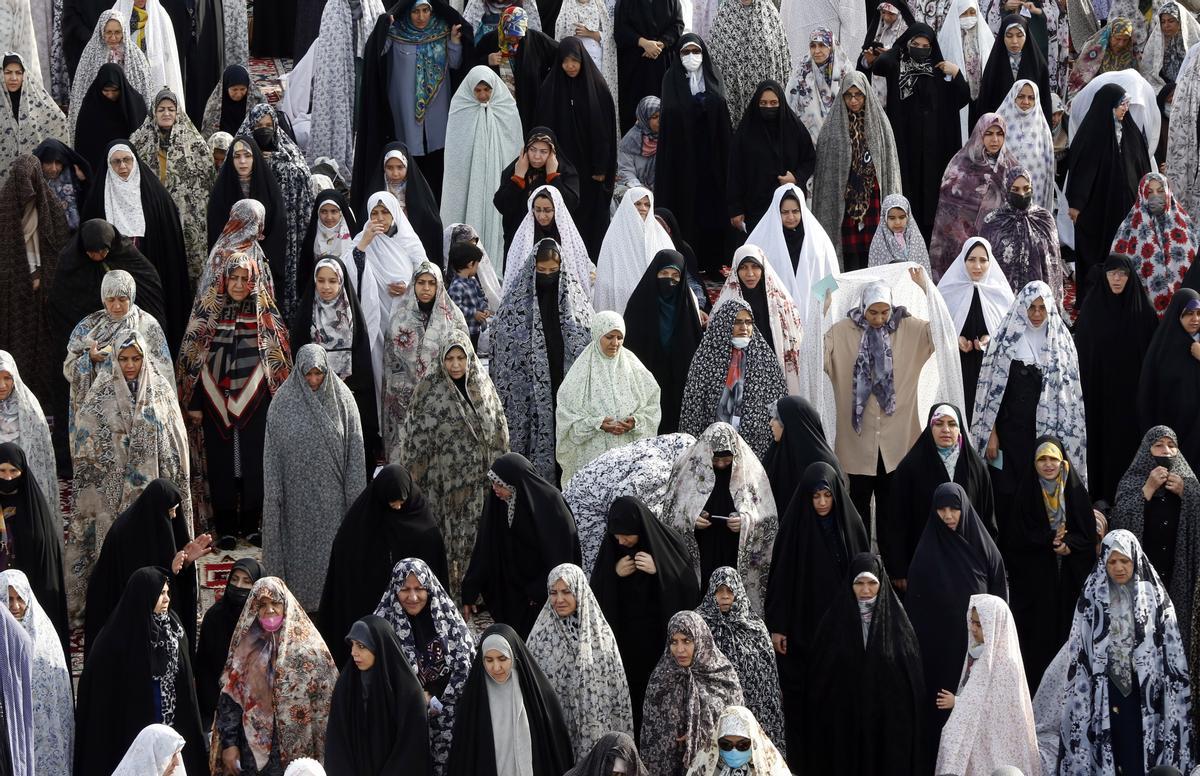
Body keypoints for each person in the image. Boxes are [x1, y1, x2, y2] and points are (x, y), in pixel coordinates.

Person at [67, 332, 191, 618]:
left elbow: (175, 445)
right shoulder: (98, 399)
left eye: (136, 358)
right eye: (123, 359)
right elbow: (87, 453)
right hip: (112, 500)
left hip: (153, 499)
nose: (130, 365)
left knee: (155, 553)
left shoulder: (160, 393)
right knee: (120, 556)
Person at [176, 253, 293, 547]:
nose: (239, 284)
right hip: (214, 402)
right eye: (234, 278)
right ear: (224, 279)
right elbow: (195, 359)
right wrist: (196, 403)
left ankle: (253, 525)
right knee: (221, 463)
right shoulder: (208, 311)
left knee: (255, 463)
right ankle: (226, 526)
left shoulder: (266, 314)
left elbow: (278, 362)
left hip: (258, 403)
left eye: (245, 278)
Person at [1055, 531, 1193, 774]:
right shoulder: (1092, 599)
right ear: (1104, 563)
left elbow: (1171, 655)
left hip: (1146, 697)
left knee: (1138, 755)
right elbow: (1079, 652)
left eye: (1125, 561)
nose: (1119, 567)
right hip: (1105, 694)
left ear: (1135, 560)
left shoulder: (1155, 600)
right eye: (1112, 561)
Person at [763, 461, 868, 764]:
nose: (822, 503)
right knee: (806, 698)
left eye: (827, 496)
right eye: (815, 497)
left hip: (841, 628)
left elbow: (864, 576)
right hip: (803, 627)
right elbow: (780, 579)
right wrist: (779, 626)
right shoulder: (794, 529)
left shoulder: (850, 526)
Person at [904, 483, 1007, 767]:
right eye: (942, 509)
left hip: (975, 650)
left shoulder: (985, 549)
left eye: (954, 509)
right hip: (938, 654)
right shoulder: (925, 554)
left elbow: (999, 600)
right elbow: (915, 609)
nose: (948, 515)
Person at [824, 274, 935, 533]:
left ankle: (893, 570)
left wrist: (928, 289)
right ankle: (861, 568)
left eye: (885, 312)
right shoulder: (842, 332)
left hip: (897, 445)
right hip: (856, 444)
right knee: (856, 512)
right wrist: (822, 299)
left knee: (893, 516)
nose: (879, 318)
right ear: (863, 307)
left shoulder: (909, 328)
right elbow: (810, 353)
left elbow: (943, 330)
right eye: (873, 312)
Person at [74, 567, 207, 776]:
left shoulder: (174, 627)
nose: (166, 599)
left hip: (172, 720)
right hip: (134, 722)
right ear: (144, 595)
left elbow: (185, 678)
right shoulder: (117, 636)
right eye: (160, 593)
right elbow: (101, 692)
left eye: (167, 593)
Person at [262, 346, 366, 612]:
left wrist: (356, 509)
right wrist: (275, 500)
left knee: (332, 567)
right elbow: (272, 459)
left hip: (334, 505)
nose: (313, 380)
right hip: (296, 507)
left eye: (318, 373)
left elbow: (355, 456)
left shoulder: (343, 401)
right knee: (300, 569)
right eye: (307, 374)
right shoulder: (282, 405)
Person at [398, 333, 505, 591]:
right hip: (442, 487)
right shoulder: (428, 392)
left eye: (461, 358)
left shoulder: (482, 388)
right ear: (441, 360)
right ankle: (451, 590)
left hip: (480, 487)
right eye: (450, 358)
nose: (456, 365)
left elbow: (499, 431)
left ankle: (477, 592)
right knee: (446, 543)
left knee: (480, 537)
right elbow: (414, 443)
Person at [970, 281, 1086, 519]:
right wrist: (991, 433)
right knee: (1006, 497)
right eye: (1031, 307)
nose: (1036, 314)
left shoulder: (1062, 345)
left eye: (1042, 308)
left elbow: (1070, 400)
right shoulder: (1003, 340)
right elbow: (988, 392)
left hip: (1045, 439)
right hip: (1008, 438)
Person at [588, 494, 700, 733]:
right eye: (615, 534)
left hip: (660, 644)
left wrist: (660, 570)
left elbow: (689, 588)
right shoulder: (612, 548)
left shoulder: (669, 542)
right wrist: (614, 573)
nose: (620, 541)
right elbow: (595, 594)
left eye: (626, 534)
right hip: (626, 646)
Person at [806, 553, 925, 774]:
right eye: (859, 583)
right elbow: (820, 679)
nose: (866, 590)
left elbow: (911, 681)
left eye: (872, 583)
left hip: (885, 723)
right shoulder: (833, 624)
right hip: (845, 721)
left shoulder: (898, 625)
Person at [491, 238, 593, 480]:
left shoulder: (576, 306)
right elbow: (502, 340)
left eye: (553, 271)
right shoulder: (514, 308)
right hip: (528, 396)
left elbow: (590, 337)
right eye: (541, 271)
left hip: (564, 387)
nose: (547, 277)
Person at [213, 577, 337, 775]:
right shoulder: (244, 651)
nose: (269, 610)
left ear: (285, 605)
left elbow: (326, 706)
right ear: (254, 608)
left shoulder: (310, 650)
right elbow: (230, 700)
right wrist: (229, 744)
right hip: (253, 757)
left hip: (300, 755)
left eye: (275, 603)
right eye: (262, 605)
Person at [354, 0, 473, 203]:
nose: (421, 17)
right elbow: (378, 55)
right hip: (405, 109)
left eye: (425, 10)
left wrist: (454, 41)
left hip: (437, 109)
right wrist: (384, 29)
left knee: (437, 158)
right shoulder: (397, 32)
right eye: (416, 11)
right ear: (408, 12)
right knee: (409, 155)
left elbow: (455, 64)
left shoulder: (442, 30)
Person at [1003, 438, 1096, 689]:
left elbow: (1087, 536)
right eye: (1042, 459)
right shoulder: (1025, 492)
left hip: (1069, 577)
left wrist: (1069, 545)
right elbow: (1015, 538)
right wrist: (1046, 539)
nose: (1048, 465)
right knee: (1038, 640)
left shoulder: (1075, 491)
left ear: (1062, 461)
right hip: (1037, 582)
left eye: (1053, 459)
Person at [81, 141, 191, 347]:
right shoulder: (97, 198)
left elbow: (169, 241)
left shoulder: (156, 196)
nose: (122, 166)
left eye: (127, 160)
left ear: (134, 161)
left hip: (151, 271)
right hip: (111, 276)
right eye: (116, 162)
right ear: (108, 165)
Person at [82, 479, 207, 657]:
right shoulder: (126, 535)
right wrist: (168, 571)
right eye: (170, 511)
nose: (173, 517)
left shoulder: (152, 524)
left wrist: (184, 566)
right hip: (120, 621)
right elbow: (138, 589)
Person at [462, 452, 582, 637]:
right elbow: (485, 545)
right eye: (493, 483)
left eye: (500, 484)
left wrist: (539, 590)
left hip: (544, 593)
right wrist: (470, 588)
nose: (495, 489)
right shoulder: (498, 501)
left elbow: (561, 554)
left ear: (516, 483)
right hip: (513, 590)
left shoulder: (550, 504)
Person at [372, 558, 472, 776]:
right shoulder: (383, 628)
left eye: (419, 588)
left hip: (451, 718)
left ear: (429, 589)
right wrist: (417, 699)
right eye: (405, 589)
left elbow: (465, 665)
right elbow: (377, 676)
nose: (413, 597)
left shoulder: (447, 621)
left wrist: (442, 701)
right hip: (404, 722)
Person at [663, 422, 779, 608]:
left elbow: (768, 517)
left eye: (727, 460)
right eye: (715, 460)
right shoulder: (686, 469)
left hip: (733, 553)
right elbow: (669, 513)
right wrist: (690, 519)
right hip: (702, 551)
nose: (721, 465)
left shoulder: (750, 471)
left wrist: (745, 522)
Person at [871, 24, 970, 239]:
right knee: (909, 195)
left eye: (926, 46)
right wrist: (899, 48)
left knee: (931, 203)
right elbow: (879, 64)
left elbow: (962, 98)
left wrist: (957, 74)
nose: (921, 49)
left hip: (934, 150)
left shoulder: (938, 71)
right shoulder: (897, 67)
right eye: (915, 44)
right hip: (905, 145)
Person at [1074, 255, 1159, 502]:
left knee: (1127, 449)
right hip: (1098, 396)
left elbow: (1152, 358)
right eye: (1112, 273)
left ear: (1130, 276)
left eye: (1122, 273)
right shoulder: (1092, 309)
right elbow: (1082, 353)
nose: (1117, 278)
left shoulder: (1143, 312)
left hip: (1131, 399)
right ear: (1105, 275)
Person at [527, 563, 634, 758]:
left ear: (579, 591)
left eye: (566, 592)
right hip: (556, 733)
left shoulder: (601, 637)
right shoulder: (539, 637)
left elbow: (616, 693)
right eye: (553, 592)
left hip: (596, 731)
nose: (559, 599)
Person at [886, 403, 997, 585]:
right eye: (939, 423)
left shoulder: (976, 467)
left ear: (960, 428)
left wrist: (987, 563)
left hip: (968, 565)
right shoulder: (910, 467)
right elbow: (897, 520)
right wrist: (899, 568)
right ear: (930, 427)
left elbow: (987, 519)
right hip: (924, 564)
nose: (946, 429)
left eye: (952, 424)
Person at [1111, 427, 1200, 647]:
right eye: (1158, 445)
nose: (1166, 450)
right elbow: (1118, 525)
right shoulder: (1132, 482)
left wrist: (1186, 494)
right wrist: (1147, 490)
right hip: (1143, 577)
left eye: (1171, 445)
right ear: (1146, 450)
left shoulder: (1190, 484)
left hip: (1177, 576)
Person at [446, 623, 574, 775]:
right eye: (489, 660)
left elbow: (555, 750)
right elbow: (464, 756)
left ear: (513, 656)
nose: (496, 667)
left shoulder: (538, 696)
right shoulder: (473, 701)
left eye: (502, 658)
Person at [933, 595, 1040, 775]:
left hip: (996, 742)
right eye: (972, 622)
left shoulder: (1006, 664)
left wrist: (958, 702)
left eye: (980, 624)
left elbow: (997, 707)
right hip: (976, 737)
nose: (973, 629)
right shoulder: (979, 653)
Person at [654, 35, 734, 275]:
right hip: (682, 160)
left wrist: (706, 104)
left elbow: (721, 113)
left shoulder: (713, 77)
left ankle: (713, 262)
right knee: (684, 209)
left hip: (711, 160)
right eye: (685, 52)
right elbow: (671, 116)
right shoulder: (671, 80)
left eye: (695, 51)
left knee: (711, 211)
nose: (691, 56)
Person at [290, 257, 381, 465]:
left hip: (347, 396)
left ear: (341, 282)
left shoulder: (352, 317)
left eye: (332, 281)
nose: (326, 287)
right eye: (321, 280)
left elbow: (362, 365)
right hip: (312, 397)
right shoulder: (306, 315)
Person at [1067, 83, 1152, 302]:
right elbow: (1081, 171)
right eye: (1119, 105)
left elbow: (1142, 165)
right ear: (1107, 106)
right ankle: (1094, 300)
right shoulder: (1092, 134)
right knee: (1097, 253)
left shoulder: (1131, 132)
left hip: (1127, 209)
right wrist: (1076, 204)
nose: (1124, 109)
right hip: (1098, 208)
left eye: (1126, 104)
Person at [555, 310, 659, 485]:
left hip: (628, 454)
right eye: (609, 337)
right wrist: (597, 424)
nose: (615, 343)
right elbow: (567, 416)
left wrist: (636, 421)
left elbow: (652, 404)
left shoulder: (634, 367)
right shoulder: (581, 372)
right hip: (593, 457)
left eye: (620, 338)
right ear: (597, 334)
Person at [534, 37, 617, 254]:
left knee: (590, 220)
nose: (570, 66)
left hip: (590, 171)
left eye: (575, 60)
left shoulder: (597, 87)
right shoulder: (550, 88)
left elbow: (604, 131)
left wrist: (601, 167)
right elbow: (543, 129)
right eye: (565, 61)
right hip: (561, 170)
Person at [812, 72, 903, 271]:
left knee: (874, 254)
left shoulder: (881, 125)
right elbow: (826, 177)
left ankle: (876, 299)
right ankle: (839, 298)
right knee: (847, 255)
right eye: (848, 95)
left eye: (858, 95)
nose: (853, 100)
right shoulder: (830, 129)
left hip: (874, 200)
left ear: (866, 95)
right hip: (843, 205)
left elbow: (890, 167)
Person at [381, 262, 470, 460]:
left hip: (443, 402)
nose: (426, 288)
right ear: (414, 284)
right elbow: (390, 367)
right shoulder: (399, 319)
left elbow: (464, 362)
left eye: (432, 283)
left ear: (439, 285)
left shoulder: (453, 320)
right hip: (404, 406)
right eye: (421, 282)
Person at [639, 611, 744, 776]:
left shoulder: (722, 676)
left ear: (700, 640)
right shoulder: (661, 677)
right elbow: (651, 732)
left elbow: (736, 724)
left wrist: (699, 732)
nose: (680, 650)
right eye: (674, 642)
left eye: (687, 641)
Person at [129, 88, 215, 289]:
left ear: (178, 113)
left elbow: (207, 181)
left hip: (187, 217)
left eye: (171, 109)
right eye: (161, 109)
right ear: (153, 113)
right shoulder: (139, 141)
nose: (166, 114)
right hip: (153, 214)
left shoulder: (195, 143)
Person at [325, 615, 432, 776]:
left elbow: (412, 747)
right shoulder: (347, 685)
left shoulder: (408, 691)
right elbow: (337, 741)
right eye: (352, 645)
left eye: (361, 646)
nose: (354, 652)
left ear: (379, 647)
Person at [0, 154, 68, 405]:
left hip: (45, 299)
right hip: (13, 301)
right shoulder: (5, 212)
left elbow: (58, 253)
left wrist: (41, 278)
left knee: (45, 359)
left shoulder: (51, 211)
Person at [236, 103, 316, 319]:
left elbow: (304, 182)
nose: (264, 130)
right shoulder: (242, 158)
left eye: (268, 125)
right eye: (259, 125)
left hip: (286, 234)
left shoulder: (289, 157)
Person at [679, 301, 787, 458]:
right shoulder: (706, 357)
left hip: (756, 447)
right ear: (725, 323)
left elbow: (778, 401)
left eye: (748, 322)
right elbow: (693, 406)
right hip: (714, 447)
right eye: (737, 322)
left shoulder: (764, 356)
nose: (744, 327)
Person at [441, 66, 523, 272]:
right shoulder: (461, 107)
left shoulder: (506, 106)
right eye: (478, 91)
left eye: (487, 90)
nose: (483, 95)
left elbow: (512, 143)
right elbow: (456, 153)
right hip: (471, 180)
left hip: (498, 177)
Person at [696, 566, 786, 755]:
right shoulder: (699, 626)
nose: (725, 596)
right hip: (713, 712)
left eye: (730, 590)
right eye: (719, 590)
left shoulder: (755, 628)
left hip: (752, 711)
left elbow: (767, 682)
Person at [348, 191, 429, 383]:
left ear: (394, 213)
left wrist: (409, 287)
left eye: (384, 212)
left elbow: (426, 274)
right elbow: (347, 271)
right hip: (375, 317)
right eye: (374, 213)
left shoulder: (408, 239)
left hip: (405, 315)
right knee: (379, 371)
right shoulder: (361, 238)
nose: (379, 218)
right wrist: (364, 243)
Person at [0, 569, 73, 775]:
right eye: (7, 599)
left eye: (19, 599)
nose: (14, 606)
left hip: (44, 729)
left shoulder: (44, 638)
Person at [622, 249, 702, 433]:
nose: (669, 280)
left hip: (679, 388)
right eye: (664, 274)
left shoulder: (687, 309)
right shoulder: (639, 305)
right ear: (654, 273)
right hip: (644, 389)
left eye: (675, 275)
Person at [929, 114, 1018, 276]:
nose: (995, 140)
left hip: (997, 238)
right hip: (960, 237)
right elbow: (948, 205)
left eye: (999, 134)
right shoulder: (961, 163)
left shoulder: (1011, 165)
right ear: (980, 134)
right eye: (989, 134)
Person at [0, 443, 68, 652]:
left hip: (31, 588)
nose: (8, 477)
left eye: (14, 471)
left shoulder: (32, 507)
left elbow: (44, 551)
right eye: (1, 471)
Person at [726, 80, 816, 234]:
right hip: (755, 210)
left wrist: (796, 177)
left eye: (774, 103)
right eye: (763, 103)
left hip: (788, 211)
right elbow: (734, 172)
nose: (768, 107)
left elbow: (809, 158)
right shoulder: (745, 133)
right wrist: (735, 209)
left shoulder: (794, 129)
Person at [714, 245, 805, 394]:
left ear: (763, 269)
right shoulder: (726, 303)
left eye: (755, 267)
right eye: (743, 267)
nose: (750, 274)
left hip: (776, 372)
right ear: (736, 271)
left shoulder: (780, 301)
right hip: (740, 379)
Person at [744, 183, 840, 320]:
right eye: (785, 212)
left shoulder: (818, 240)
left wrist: (816, 308)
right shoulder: (762, 240)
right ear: (777, 211)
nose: (790, 217)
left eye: (795, 211)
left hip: (812, 314)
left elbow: (829, 275)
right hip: (775, 314)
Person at [1110, 172, 1199, 316]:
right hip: (1142, 311)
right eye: (1149, 192)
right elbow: (1117, 265)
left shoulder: (1185, 226)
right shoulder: (1129, 228)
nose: (1155, 196)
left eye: (1160, 191)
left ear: (1168, 192)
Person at [205, 138, 288, 289]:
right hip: (230, 269)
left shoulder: (269, 188)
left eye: (247, 156)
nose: (242, 161)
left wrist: (258, 257)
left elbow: (277, 228)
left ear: (255, 158)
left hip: (263, 264)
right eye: (237, 156)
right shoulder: (222, 190)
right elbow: (216, 231)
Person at [195, 558, 264, 726]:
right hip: (220, 704)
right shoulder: (214, 616)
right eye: (234, 579)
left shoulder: (264, 618)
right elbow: (205, 667)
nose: (239, 586)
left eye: (247, 582)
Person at [977, 166, 1062, 302]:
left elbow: (1053, 265)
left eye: (1026, 189)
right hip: (1003, 301)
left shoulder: (1044, 219)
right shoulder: (993, 221)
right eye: (1015, 190)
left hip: (1037, 302)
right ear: (1006, 190)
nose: (1022, 194)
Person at [707, 0, 792, 131]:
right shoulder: (723, 16)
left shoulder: (770, 15)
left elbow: (782, 56)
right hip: (732, 95)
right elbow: (714, 56)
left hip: (764, 96)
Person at [1138, 290, 1200, 468]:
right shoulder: (1164, 348)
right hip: (1172, 435)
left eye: (1198, 313)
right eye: (1188, 314)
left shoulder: (1196, 347)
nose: (1195, 319)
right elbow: (1150, 395)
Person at [493, 128, 581, 252]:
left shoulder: (565, 171)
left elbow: (570, 205)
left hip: (553, 243)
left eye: (543, 152)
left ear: (552, 152)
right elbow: (502, 206)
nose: (536, 157)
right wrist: (518, 178)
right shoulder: (515, 170)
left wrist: (552, 177)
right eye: (532, 150)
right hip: (518, 242)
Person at [355, 142, 446, 262]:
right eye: (390, 168)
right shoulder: (377, 191)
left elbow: (431, 223)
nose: (395, 173)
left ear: (407, 166)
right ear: (383, 168)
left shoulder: (418, 191)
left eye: (400, 167)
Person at [477, 5, 560, 135]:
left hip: (529, 105)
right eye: (511, 34)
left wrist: (547, 80)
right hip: (498, 107)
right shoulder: (489, 40)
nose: (515, 39)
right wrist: (487, 60)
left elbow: (561, 53)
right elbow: (471, 65)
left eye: (519, 35)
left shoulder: (535, 40)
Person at [68, 12, 152, 132]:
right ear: (101, 31)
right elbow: (81, 91)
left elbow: (144, 92)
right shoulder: (90, 54)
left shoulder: (135, 56)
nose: (113, 38)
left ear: (123, 32)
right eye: (108, 32)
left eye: (117, 32)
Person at [594, 187, 673, 313]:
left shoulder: (659, 234)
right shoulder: (615, 235)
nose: (643, 208)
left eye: (647, 205)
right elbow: (606, 275)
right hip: (623, 295)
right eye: (638, 204)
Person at [0, 352, 59, 522]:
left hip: (24, 491)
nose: (2, 385)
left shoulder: (29, 409)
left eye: (7, 378)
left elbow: (41, 459)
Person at [502, 183, 592, 293]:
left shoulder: (568, 236)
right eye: (538, 210)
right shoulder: (523, 237)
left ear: (557, 209)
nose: (541, 216)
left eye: (547, 210)